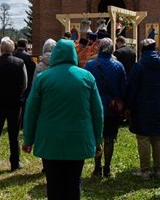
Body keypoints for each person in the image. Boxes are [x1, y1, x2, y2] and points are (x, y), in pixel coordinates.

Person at [23, 38, 103, 199]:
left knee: (53, 184)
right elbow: (97, 112)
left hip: (50, 139)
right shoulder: (87, 77)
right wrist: (98, 139)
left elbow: (31, 110)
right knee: (74, 182)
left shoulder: (42, 78)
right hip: (78, 138)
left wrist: (28, 139)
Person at [126, 38, 160, 179]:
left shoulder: (139, 66)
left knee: (143, 137)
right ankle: (158, 170)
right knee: (157, 137)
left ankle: (144, 171)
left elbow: (132, 87)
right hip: (159, 105)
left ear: (142, 49)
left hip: (142, 106)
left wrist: (128, 105)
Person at [84, 37, 126, 178]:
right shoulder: (119, 66)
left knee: (97, 138)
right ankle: (107, 168)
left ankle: (97, 168)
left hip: (94, 106)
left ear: (99, 48)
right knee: (109, 139)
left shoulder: (90, 65)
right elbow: (123, 88)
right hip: (112, 108)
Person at [0, 38, 27, 171]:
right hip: (14, 103)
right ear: (13, 50)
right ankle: (15, 162)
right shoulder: (20, 63)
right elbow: (24, 83)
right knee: (13, 134)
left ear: (1, 50)